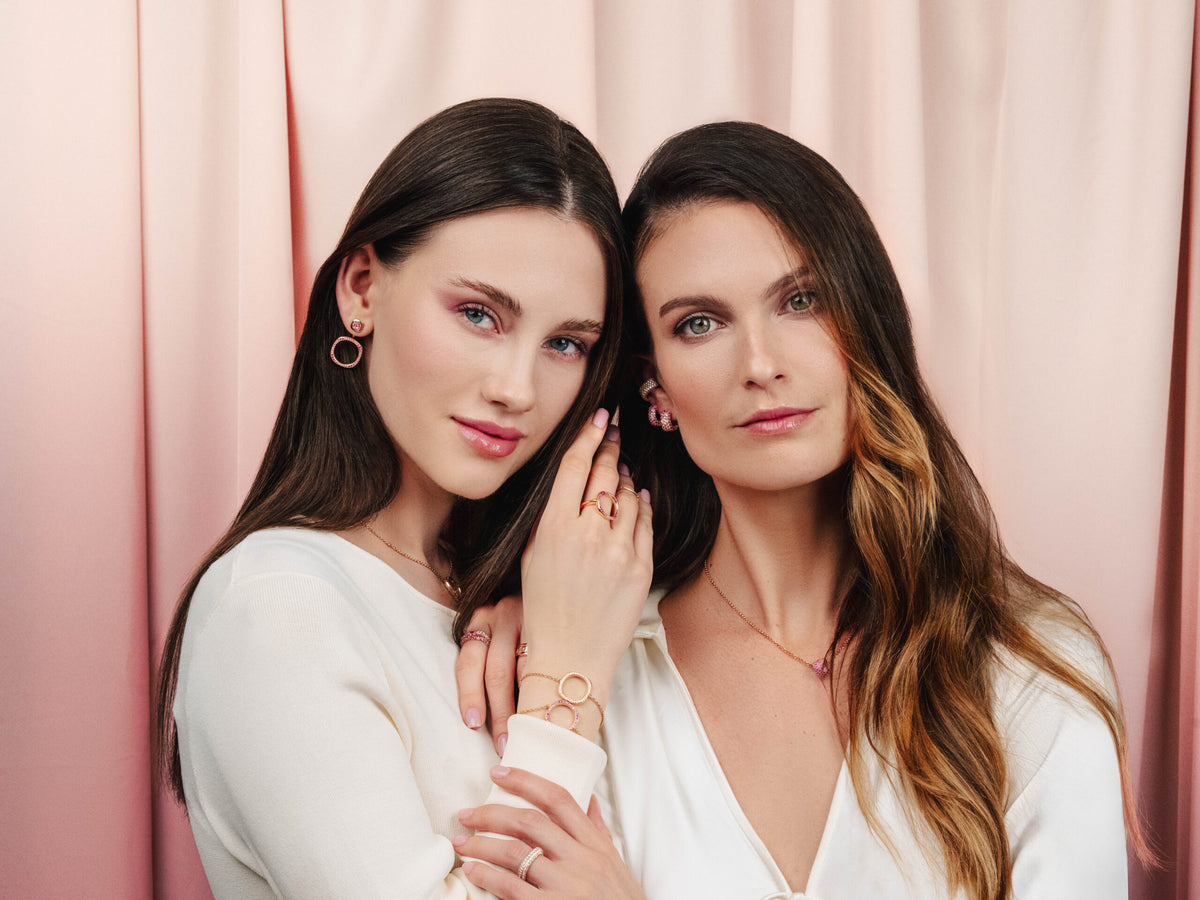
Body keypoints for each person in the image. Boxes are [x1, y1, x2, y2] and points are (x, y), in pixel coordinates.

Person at [453, 122, 1152, 899]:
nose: (761, 364)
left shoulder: (1027, 667)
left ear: (863, 321)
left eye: (801, 300)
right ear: (655, 388)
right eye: (700, 323)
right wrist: (555, 654)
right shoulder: (598, 675)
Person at [153, 97, 654, 899]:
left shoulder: (536, 600)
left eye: (566, 343)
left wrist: (545, 614)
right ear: (361, 288)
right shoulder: (280, 607)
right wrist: (566, 685)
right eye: (478, 314)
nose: (516, 388)